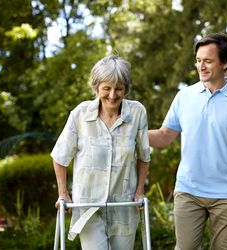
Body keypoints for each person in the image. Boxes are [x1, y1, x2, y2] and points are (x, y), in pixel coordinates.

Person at [149, 33, 227, 249]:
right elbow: (164, 136)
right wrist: (133, 132)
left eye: (208, 61)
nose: (201, 66)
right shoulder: (184, 97)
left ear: (225, 63)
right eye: (198, 60)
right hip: (188, 190)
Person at [51, 55, 150, 250]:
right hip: (88, 207)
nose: (112, 95)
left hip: (123, 206)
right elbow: (60, 156)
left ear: (125, 89)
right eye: (107, 88)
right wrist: (63, 193)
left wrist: (140, 190)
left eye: (119, 88)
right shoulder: (80, 114)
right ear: (97, 87)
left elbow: (144, 156)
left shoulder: (137, 113)